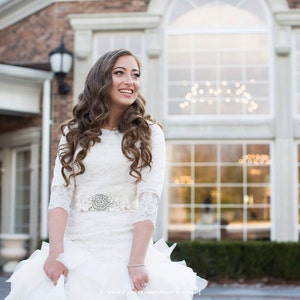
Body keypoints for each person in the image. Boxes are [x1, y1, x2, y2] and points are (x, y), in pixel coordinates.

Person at [5, 49, 207, 299]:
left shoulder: (150, 133)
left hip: (125, 246)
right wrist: (56, 253)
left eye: (135, 75)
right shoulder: (74, 133)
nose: (129, 81)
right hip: (76, 246)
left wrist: (136, 262)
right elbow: (59, 195)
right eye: (119, 73)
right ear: (101, 80)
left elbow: (149, 199)